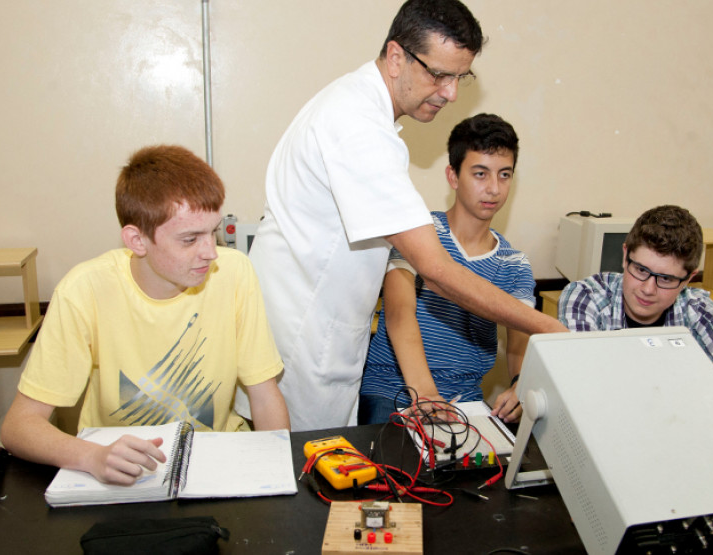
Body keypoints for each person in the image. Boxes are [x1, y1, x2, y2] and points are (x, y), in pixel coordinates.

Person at [242, 0, 566, 432]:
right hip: (302, 339)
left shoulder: (360, 111)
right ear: (396, 57)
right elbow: (435, 269)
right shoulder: (358, 126)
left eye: (460, 77)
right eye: (439, 74)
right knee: (299, 478)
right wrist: (553, 329)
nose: (451, 93)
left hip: (325, 334)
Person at [1, 145, 289, 486]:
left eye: (212, 232)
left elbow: (264, 393)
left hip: (217, 457)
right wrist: (92, 456)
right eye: (189, 239)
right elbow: (19, 426)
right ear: (137, 240)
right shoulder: (84, 290)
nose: (211, 252)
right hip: (121, 472)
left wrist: (280, 479)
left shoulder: (234, 272)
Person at [359, 114, 531, 425]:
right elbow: (399, 313)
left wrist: (521, 384)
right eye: (481, 173)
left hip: (465, 398)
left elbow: (518, 344)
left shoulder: (514, 264)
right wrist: (425, 393)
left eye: (504, 175)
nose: (494, 188)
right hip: (392, 389)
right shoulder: (417, 233)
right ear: (453, 176)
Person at [558, 205, 713, 412]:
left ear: (688, 279)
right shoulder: (586, 297)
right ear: (625, 256)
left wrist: (679, 411)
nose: (648, 289)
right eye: (641, 270)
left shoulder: (697, 309)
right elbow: (585, 387)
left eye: (666, 278)